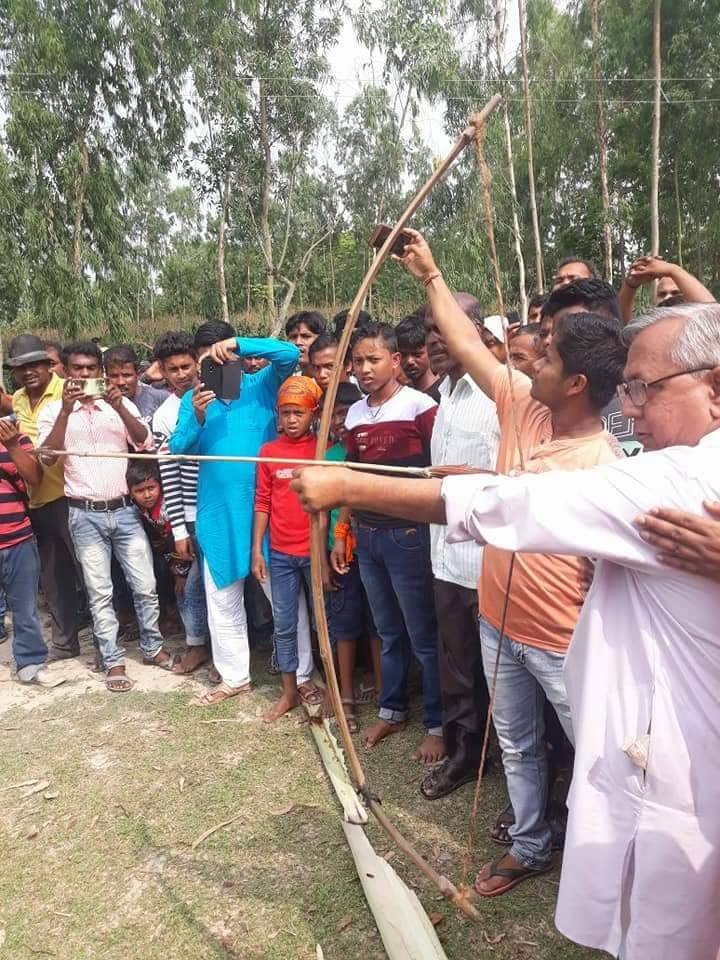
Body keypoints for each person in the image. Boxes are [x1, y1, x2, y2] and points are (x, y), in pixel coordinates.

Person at [292, 301, 720, 960]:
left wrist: (349, 484)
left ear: (713, 387)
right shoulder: (597, 442)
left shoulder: (674, 478)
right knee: (533, 753)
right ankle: (533, 840)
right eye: (628, 387)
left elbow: (515, 505)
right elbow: (513, 481)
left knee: (671, 913)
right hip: (526, 637)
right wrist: (429, 277)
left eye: (644, 389)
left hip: (671, 754)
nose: (629, 408)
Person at [393, 228, 625, 895]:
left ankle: (614, 866)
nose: (530, 364)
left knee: (598, 757)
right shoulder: (523, 404)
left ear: (576, 383)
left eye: (545, 357)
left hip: (561, 639)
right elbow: (467, 345)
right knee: (518, 745)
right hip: (498, 618)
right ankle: (530, 845)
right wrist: (430, 275)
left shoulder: (603, 464)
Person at [169, 327, 300, 705]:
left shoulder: (262, 385)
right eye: (207, 360)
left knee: (285, 600)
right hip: (218, 516)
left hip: (266, 513)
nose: (216, 365)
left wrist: (238, 344)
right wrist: (196, 416)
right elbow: (177, 448)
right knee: (223, 601)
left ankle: (303, 674)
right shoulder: (193, 400)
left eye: (222, 357)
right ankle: (234, 677)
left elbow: (290, 354)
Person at [332, 321, 443, 763]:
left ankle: (437, 725)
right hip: (368, 534)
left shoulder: (421, 406)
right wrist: (343, 530)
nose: (364, 369)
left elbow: (439, 468)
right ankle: (392, 710)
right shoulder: (356, 413)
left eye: (373, 359)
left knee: (423, 634)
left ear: (396, 361)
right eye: (357, 361)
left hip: (408, 533)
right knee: (387, 631)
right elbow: (350, 477)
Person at [37, 340, 174, 692]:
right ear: (66, 372)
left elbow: (145, 442)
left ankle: (152, 647)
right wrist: (66, 411)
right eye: (77, 369)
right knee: (99, 592)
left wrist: (120, 408)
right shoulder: (54, 410)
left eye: (90, 369)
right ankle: (113, 660)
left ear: (100, 371)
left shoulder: (119, 404)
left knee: (145, 585)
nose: (84, 375)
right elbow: (48, 457)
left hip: (125, 509)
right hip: (84, 513)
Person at [421, 293, 500, 801]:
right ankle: (465, 754)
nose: (433, 341)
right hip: (446, 558)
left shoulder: (497, 395)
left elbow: (513, 474)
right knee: (456, 666)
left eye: (443, 329)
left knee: (502, 675)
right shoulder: (445, 395)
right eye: (428, 331)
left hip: (488, 561)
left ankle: (515, 761)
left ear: (474, 331)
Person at [252, 376, 324, 721]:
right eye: (285, 413)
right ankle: (289, 691)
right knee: (283, 624)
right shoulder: (268, 452)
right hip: (280, 554)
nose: (292, 419)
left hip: (314, 553)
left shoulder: (321, 451)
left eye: (299, 412)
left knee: (324, 621)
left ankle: (332, 689)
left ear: (313, 414)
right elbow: (262, 502)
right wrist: (257, 550)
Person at [9, 335, 83, 660]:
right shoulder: (17, 400)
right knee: (53, 578)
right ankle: (65, 644)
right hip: (36, 500)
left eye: (34, 365)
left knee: (89, 573)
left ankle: (110, 645)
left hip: (71, 494)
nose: (28, 372)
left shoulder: (68, 391)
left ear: (48, 365)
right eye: (20, 367)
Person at [323, 381, 382, 730]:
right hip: (340, 553)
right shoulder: (327, 456)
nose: (339, 422)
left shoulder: (369, 452)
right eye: (332, 415)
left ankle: (384, 690)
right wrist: (324, 556)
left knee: (378, 623)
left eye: (345, 413)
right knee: (344, 624)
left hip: (371, 547)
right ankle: (345, 695)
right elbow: (319, 514)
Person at [151, 331, 210, 674]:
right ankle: (196, 644)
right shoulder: (164, 415)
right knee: (192, 584)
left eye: (186, 366)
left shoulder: (218, 397)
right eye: (172, 369)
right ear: (162, 370)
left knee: (224, 584)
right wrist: (178, 530)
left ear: (197, 363)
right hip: (190, 513)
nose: (181, 374)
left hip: (221, 506)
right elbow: (168, 474)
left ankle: (230, 648)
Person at [539, 278, 641, 455]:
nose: (549, 341)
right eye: (556, 333)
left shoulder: (651, 395)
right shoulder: (541, 409)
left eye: (578, 324)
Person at [0, 416, 63, 687]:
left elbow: (35, 478)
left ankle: (31, 663)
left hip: (18, 539)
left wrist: (13, 445)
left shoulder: (14, 434)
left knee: (25, 609)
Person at [126, 460, 207, 643]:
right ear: (131, 492)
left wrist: (180, 574)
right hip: (167, 554)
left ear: (160, 486)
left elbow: (177, 543)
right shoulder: (138, 509)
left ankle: (197, 638)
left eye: (151, 488)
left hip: (186, 553)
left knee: (187, 591)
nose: (147, 495)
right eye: (140, 491)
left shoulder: (168, 509)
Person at [618, 254, 714, 324]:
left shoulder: (700, 330)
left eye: (675, 293)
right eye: (662, 294)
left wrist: (673, 270)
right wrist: (630, 286)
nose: (668, 298)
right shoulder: (647, 331)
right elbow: (620, 326)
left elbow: (712, 314)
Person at [104, 344, 169, 421]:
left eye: (126, 375)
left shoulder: (161, 398)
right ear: (106, 377)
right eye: (114, 376)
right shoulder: (100, 405)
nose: (120, 382)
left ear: (138, 374)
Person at [395, 313, 441, 400]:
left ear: (430, 350)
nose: (409, 361)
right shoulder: (402, 395)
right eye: (404, 355)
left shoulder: (443, 393)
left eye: (417, 355)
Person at [285, 311, 326, 376]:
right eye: (293, 337)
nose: (298, 342)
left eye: (305, 336)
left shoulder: (336, 379)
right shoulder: (288, 380)